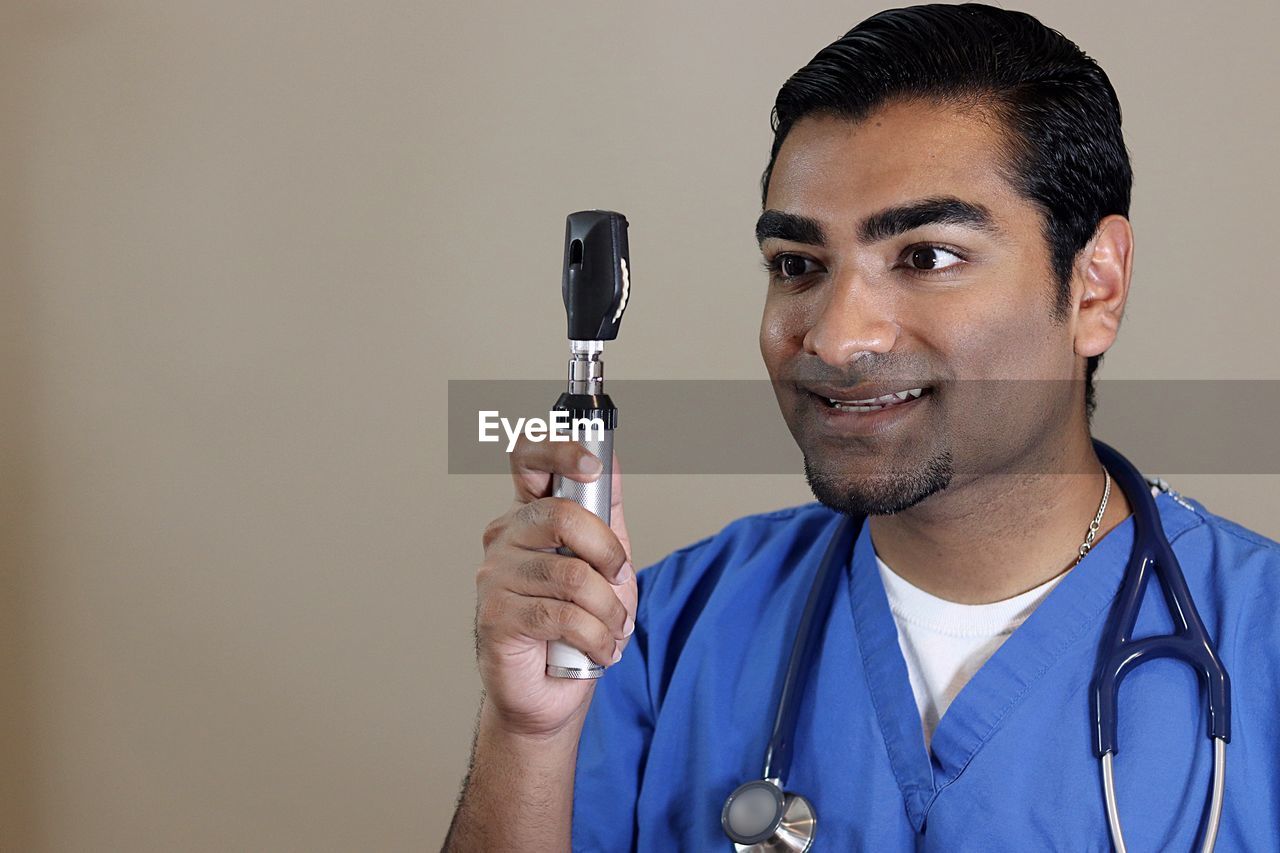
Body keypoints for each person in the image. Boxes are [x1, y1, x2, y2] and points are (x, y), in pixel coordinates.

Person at [443, 4, 1280, 850]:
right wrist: (529, 736)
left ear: (1094, 287)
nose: (837, 339)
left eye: (927, 257)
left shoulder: (1264, 638)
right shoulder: (655, 635)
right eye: (798, 266)